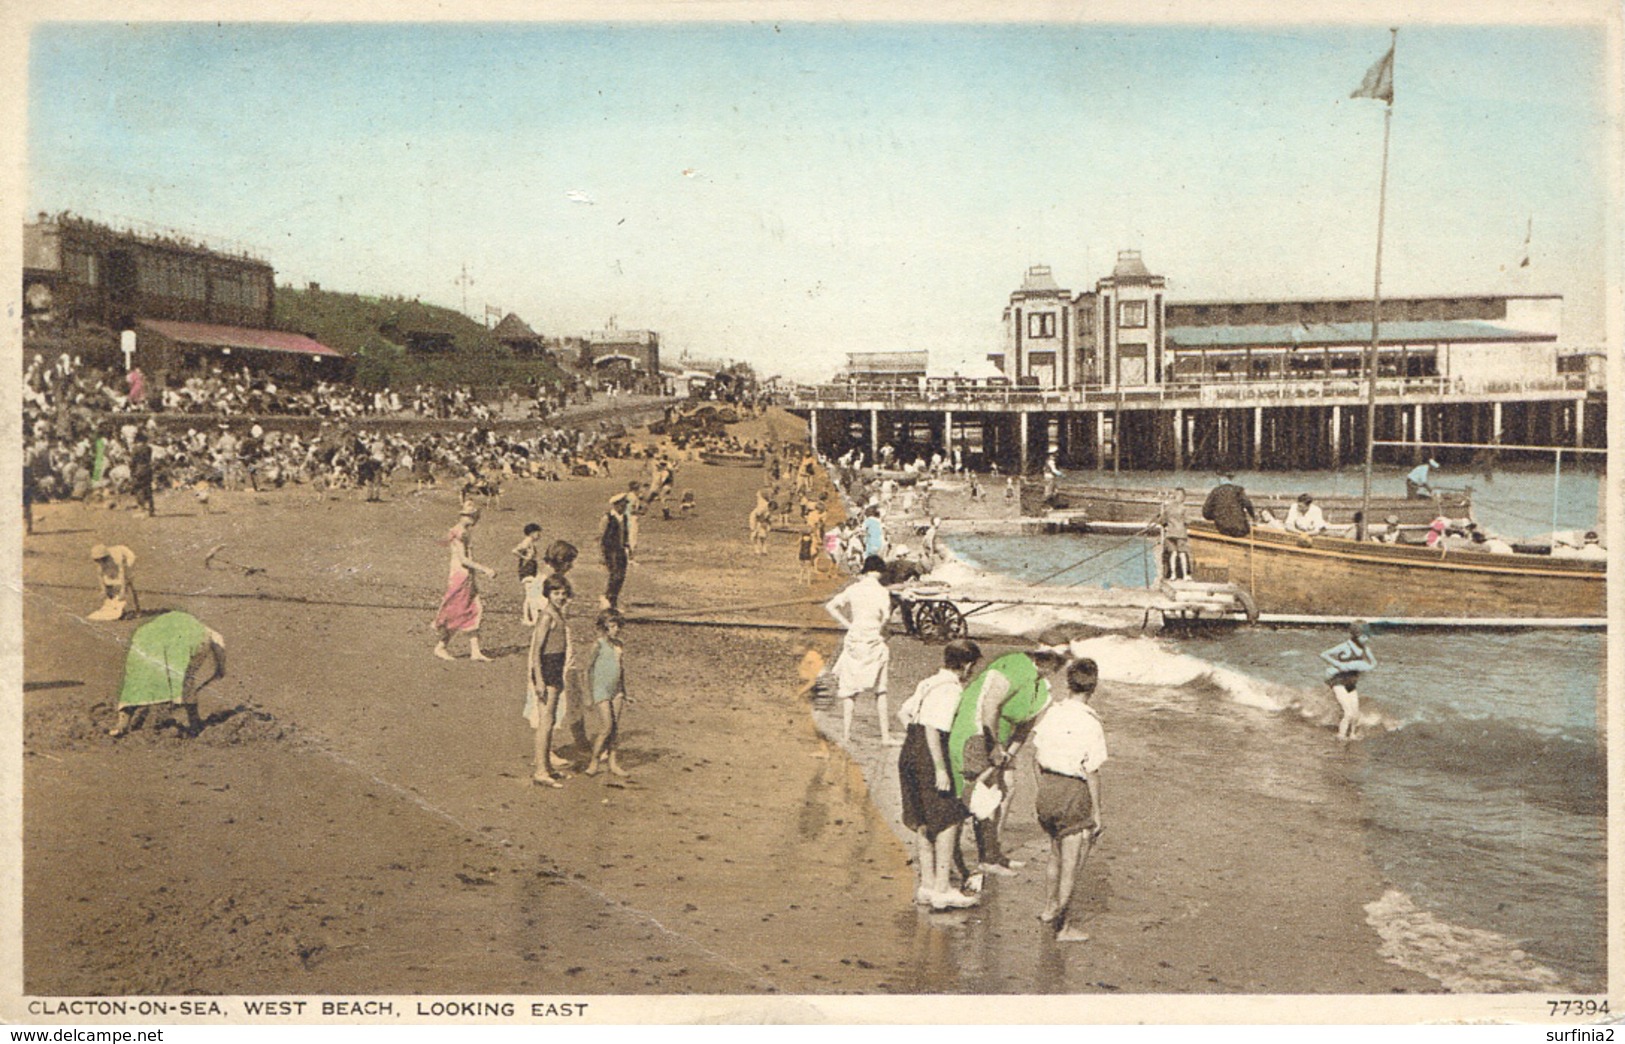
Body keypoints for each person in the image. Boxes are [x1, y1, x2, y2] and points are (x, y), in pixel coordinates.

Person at [947, 645, 1069, 881]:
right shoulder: (1014, 666)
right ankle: (972, 858)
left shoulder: (1043, 688)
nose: (1053, 665)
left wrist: (1007, 755)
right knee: (975, 795)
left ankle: (992, 852)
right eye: (1049, 659)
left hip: (999, 746)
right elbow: (988, 707)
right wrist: (993, 747)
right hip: (975, 734)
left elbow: (1025, 728)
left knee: (1006, 789)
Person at [896, 638, 983, 912]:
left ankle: (928, 883)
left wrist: (915, 741)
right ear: (967, 665)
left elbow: (904, 712)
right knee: (949, 817)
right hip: (930, 753)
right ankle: (943, 889)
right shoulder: (951, 690)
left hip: (910, 749)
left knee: (922, 816)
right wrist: (941, 768)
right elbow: (934, 728)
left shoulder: (929, 682)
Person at [1031, 657, 1108, 940]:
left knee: (1055, 853)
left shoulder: (1053, 713)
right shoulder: (1091, 723)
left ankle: (1050, 908)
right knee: (1071, 863)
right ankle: (1062, 927)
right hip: (1072, 793)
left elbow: (1034, 756)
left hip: (1048, 788)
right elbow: (1092, 771)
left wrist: (1043, 788)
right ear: (1094, 687)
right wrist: (1097, 812)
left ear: (1068, 682)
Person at [108, 611, 225, 738]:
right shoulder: (202, 630)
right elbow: (218, 640)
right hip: (186, 641)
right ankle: (194, 722)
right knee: (185, 680)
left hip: (149, 641)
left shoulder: (152, 630)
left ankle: (122, 723)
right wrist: (220, 668)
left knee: (137, 680)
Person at [824, 555, 897, 745]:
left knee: (849, 689)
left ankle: (847, 735)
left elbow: (831, 606)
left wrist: (848, 624)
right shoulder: (882, 592)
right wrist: (882, 628)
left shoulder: (854, 589)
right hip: (874, 639)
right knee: (881, 690)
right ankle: (885, 737)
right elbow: (886, 617)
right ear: (879, 572)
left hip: (855, 639)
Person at [433, 505, 497, 661]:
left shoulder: (464, 532)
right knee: (457, 612)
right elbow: (463, 559)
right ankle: (441, 646)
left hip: (465, 576)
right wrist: (485, 569)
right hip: (459, 577)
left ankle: (475, 652)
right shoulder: (459, 533)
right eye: (469, 516)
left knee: (474, 609)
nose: (472, 520)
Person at [527, 575, 574, 787]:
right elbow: (536, 651)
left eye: (564, 593)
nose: (560, 597)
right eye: (556, 593)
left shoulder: (559, 614)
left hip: (555, 667)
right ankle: (540, 771)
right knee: (545, 722)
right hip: (545, 668)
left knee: (551, 719)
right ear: (548, 594)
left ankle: (547, 767)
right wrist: (538, 680)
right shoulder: (546, 616)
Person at [583, 609, 631, 777]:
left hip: (616, 689)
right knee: (606, 726)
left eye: (617, 626)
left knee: (615, 728)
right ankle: (594, 760)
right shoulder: (598, 644)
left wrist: (624, 691)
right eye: (611, 626)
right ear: (604, 627)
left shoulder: (619, 645)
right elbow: (587, 669)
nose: (615, 629)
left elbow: (621, 668)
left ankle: (613, 762)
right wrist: (588, 694)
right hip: (601, 689)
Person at [1320, 620, 1376, 741]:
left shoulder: (1365, 649)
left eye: (1368, 636)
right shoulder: (1345, 646)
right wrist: (1338, 664)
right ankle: (1340, 736)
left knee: (1355, 715)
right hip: (1338, 681)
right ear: (1356, 635)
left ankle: (1352, 735)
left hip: (1351, 683)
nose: (1366, 639)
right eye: (1364, 636)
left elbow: (1374, 663)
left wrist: (1363, 666)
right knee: (1348, 713)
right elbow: (1324, 654)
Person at [599, 483, 641, 610]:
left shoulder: (625, 518)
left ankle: (613, 599)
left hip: (621, 550)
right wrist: (601, 554)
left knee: (621, 576)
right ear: (616, 505)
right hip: (610, 551)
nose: (625, 507)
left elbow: (625, 534)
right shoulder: (608, 518)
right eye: (623, 504)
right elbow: (601, 537)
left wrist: (629, 548)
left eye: (626, 504)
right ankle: (608, 598)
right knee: (615, 575)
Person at [88, 543, 139, 620]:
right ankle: (113, 604)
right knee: (109, 579)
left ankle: (136, 610)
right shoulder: (101, 561)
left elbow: (122, 574)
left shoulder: (117, 558)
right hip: (114, 562)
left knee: (126, 578)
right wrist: (103, 589)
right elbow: (100, 574)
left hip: (127, 556)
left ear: (106, 557)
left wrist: (122, 591)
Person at [1158, 489, 1190, 580]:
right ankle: (1185, 575)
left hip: (1170, 533)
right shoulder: (1183, 508)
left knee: (1173, 554)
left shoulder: (1168, 508)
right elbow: (1187, 520)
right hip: (1181, 533)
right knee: (1182, 554)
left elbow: (1161, 520)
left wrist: (1166, 526)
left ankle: (1173, 575)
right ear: (1183, 497)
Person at [129, 432, 155, 517]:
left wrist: (132, 471)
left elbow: (132, 461)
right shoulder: (148, 448)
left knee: (138, 488)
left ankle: (142, 507)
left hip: (138, 469)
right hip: (148, 468)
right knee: (148, 488)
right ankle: (151, 509)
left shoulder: (135, 449)